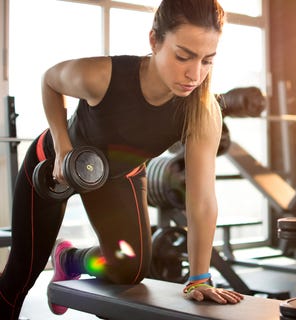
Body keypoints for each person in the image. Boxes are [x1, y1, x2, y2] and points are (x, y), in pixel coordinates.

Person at [0, 0, 244, 318]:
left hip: (118, 175)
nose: (194, 74)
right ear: (154, 40)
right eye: (183, 56)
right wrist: (62, 147)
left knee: (130, 268)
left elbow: (201, 200)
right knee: (23, 271)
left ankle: (70, 260)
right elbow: (50, 80)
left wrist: (198, 279)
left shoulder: (202, 110)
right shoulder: (103, 75)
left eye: (207, 60)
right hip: (57, 167)